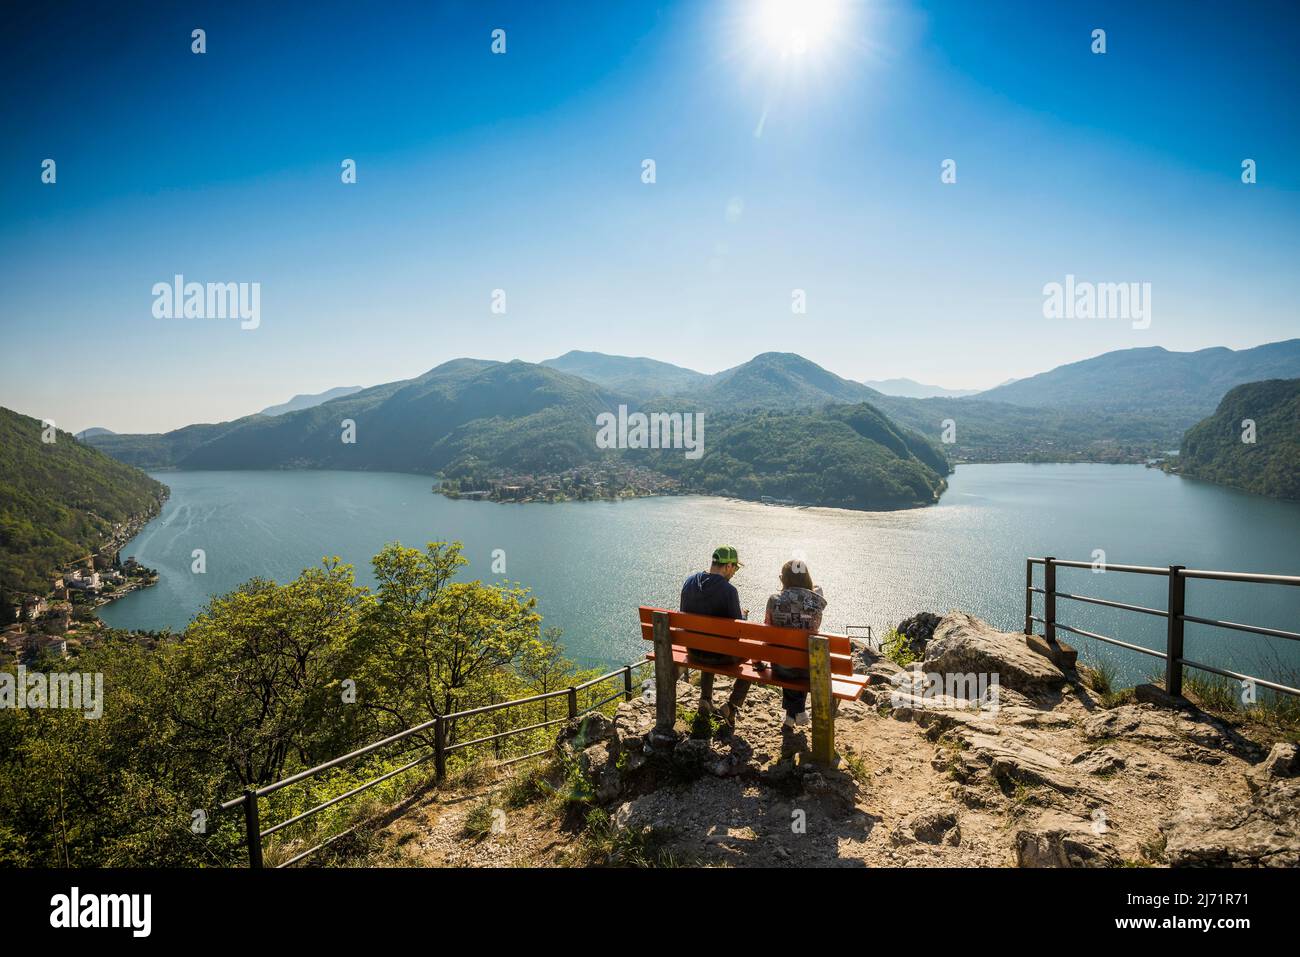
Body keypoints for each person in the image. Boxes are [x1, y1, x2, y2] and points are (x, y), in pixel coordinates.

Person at [679, 545, 752, 725]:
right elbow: (736, 632)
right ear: (728, 566)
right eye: (735, 568)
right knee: (754, 655)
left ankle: (705, 699)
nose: (735, 572)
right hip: (720, 656)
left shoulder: (689, 582)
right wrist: (744, 616)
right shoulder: (729, 591)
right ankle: (732, 706)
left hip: (694, 651)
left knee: (708, 642)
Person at [765, 558, 827, 728]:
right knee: (803, 657)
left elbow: (767, 631)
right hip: (807, 667)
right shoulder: (816, 601)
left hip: (780, 665)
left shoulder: (774, 600)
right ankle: (798, 711)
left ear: (784, 579)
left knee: (786, 653)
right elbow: (817, 590)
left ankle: (791, 716)